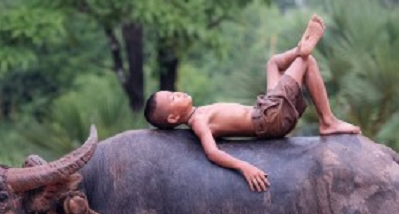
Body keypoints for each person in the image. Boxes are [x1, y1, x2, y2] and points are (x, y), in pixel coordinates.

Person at [143, 14, 360, 192]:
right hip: (267, 118)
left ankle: (299, 48)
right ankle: (327, 120)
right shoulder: (199, 121)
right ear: (173, 117)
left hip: (265, 108)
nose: (178, 93)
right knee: (307, 61)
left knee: (273, 63)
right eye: (173, 98)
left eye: (173, 91)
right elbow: (212, 152)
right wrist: (244, 167)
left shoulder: (200, 112)